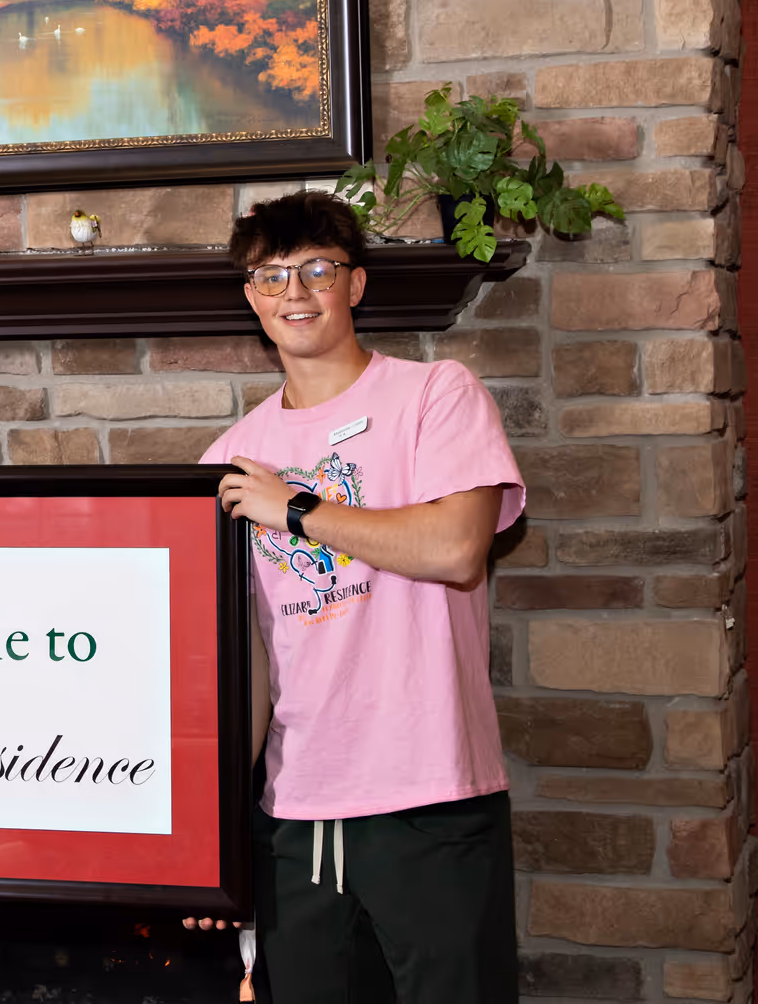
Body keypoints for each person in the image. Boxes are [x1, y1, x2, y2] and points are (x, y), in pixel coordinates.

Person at [188, 190, 526, 1003]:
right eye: (271, 277)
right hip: (297, 815)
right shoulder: (230, 459)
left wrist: (297, 510)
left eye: (316, 270)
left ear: (356, 285)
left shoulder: (435, 395)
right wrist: (215, 829)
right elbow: (254, 658)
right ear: (250, 299)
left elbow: (455, 550)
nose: (294, 293)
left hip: (432, 797)